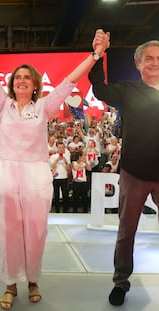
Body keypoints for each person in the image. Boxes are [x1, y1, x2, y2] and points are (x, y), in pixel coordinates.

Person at [0, 21, 110, 310]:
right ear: (12, 84)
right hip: (6, 170)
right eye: (17, 77)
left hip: (35, 173)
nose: (20, 81)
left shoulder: (44, 107)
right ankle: (10, 284)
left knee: (35, 229)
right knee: (8, 230)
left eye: (26, 78)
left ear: (34, 85)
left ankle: (32, 280)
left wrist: (95, 55)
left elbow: (70, 80)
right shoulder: (3, 104)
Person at [88, 35, 159, 307]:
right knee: (126, 232)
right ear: (138, 63)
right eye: (149, 58)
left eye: (158, 59)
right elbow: (99, 90)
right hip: (134, 173)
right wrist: (99, 52)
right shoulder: (128, 90)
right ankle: (121, 282)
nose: (154, 63)